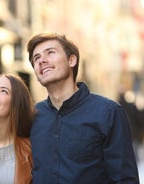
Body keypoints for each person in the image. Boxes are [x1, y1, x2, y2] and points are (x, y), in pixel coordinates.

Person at [27, 33, 139, 183]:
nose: (42, 61)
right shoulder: (32, 116)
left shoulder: (108, 112)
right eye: (36, 58)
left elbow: (125, 179)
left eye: (50, 53)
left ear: (71, 60)